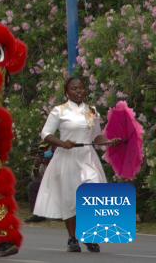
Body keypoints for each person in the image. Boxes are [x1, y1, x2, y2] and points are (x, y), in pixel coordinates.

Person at [32, 76, 120, 253]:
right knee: (70, 199)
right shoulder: (59, 111)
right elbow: (46, 133)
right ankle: (72, 238)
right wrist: (62, 143)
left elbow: (96, 136)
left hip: (87, 158)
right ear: (67, 92)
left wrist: (109, 142)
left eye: (81, 88)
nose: (78, 91)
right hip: (66, 159)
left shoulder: (92, 111)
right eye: (74, 88)